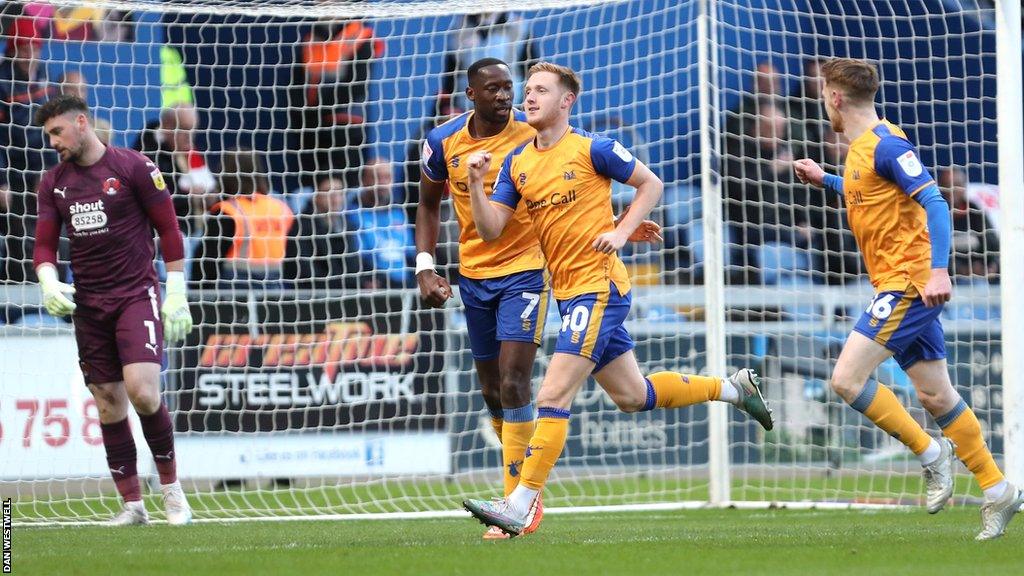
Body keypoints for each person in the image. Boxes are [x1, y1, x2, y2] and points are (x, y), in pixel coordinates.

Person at [460, 62, 773, 537]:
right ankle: (734, 389)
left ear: (567, 101)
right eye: (528, 90)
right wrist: (478, 184)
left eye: (541, 90)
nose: (529, 97)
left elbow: (651, 184)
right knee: (633, 396)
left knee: (551, 394)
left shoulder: (594, 148)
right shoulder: (519, 162)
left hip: (599, 287)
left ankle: (519, 504)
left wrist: (621, 231)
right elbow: (489, 229)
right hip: (567, 292)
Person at [793, 58, 1021, 541]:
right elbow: (866, 191)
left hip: (910, 284)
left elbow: (935, 202)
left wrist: (939, 270)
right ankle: (998, 489)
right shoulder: (861, 148)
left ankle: (931, 453)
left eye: (822, 93)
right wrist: (825, 180)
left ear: (834, 96)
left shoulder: (887, 144)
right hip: (897, 283)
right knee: (936, 394)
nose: (821, 101)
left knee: (846, 379)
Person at [31, 94, 194, 525]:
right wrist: (48, 279)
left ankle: (173, 492)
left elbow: (169, 228)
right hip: (90, 304)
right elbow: (45, 243)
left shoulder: (135, 167)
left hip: (135, 295)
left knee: (142, 390)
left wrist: (175, 290)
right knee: (107, 402)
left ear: (81, 123)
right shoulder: (53, 183)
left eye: (56, 132)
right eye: (48, 135)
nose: (52, 142)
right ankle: (132, 504)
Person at [417, 57, 545, 539]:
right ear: (470, 93)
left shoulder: (533, 135)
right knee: (492, 391)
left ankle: (520, 501)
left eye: (508, 86)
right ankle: (521, 480)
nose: (504, 95)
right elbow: (427, 204)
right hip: (474, 276)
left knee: (515, 383)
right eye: (492, 88)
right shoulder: (442, 142)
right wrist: (426, 267)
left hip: (526, 271)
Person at [0, 15, 57, 283]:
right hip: (10, 170)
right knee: (18, 234)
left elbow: (51, 126)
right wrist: (1, 181)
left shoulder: (44, 76)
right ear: (12, 49)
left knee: (49, 229)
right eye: (24, 49)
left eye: (34, 48)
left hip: (39, 168)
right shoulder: (2, 81)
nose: (30, 54)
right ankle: (21, 296)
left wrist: (47, 169)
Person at [191, 147, 294, 289]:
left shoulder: (228, 211)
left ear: (226, 174)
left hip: (235, 291)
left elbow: (206, 263)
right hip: (274, 290)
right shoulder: (281, 209)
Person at [133, 104, 216, 235]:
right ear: (166, 126)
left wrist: (208, 196)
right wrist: (190, 196)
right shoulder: (147, 155)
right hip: (164, 235)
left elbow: (211, 190)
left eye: (193, 130)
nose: (190, 136)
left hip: (194, 231)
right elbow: (154, 197)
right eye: (184, 129)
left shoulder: (188, 151)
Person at [284, 173, 360, 289]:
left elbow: (355, 265)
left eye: (339, 192)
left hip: (347, 292)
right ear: (315, 196)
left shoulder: (347, 225)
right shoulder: (301, 227)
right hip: (313, 296)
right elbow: (305, 273)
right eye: (328, 192)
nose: (335, 198)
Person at [347, 158, 414, 288]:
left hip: (406, 287)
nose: (382, 184)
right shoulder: (353, 214)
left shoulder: (399, 213)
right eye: (377, 177)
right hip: (376, 286)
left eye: (387, 178)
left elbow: (410, 254)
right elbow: (359, 260)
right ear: (364, 181)